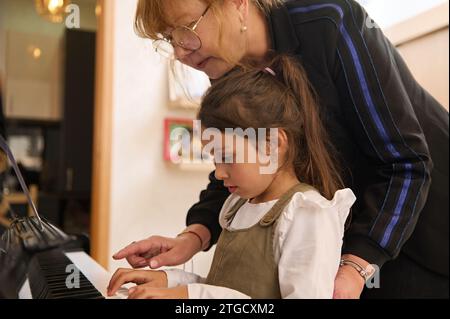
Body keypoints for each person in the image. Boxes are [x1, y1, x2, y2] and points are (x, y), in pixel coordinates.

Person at [113, 0, 449, 298]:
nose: (180, 51)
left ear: (236, 4)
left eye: (185, 30)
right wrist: (193, 236)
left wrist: (356, 265)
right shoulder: (228, 66)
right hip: (350, 239)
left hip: (419, 229)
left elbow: (406, 164)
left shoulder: (330, 23)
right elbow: (243, 171)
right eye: (169, 38)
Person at [108, 55, 356, 298]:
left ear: (273, 143)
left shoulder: (306, 214)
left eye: (227, 156)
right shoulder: (236, 206)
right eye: (214, 159)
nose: (218, 172)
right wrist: (170, 281)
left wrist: (188, 295)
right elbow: (228, 287)